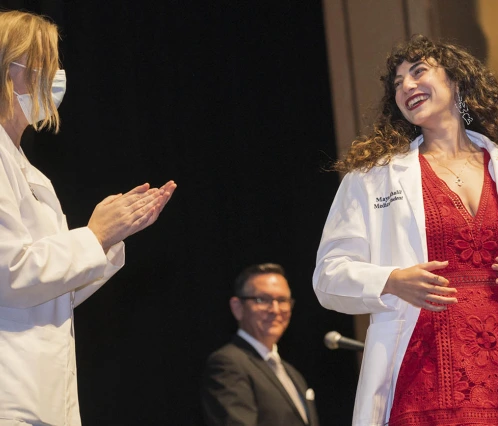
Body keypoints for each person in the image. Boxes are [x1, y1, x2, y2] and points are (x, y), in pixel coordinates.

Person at [313, 34, 498, 425]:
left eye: (418, 72)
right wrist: (392, 280)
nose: (407, 86)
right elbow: (328, 276)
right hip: (426, 371)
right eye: (397, 83)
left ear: (457, 82)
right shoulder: (371, 178)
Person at [0, 10, 176, 426]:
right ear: (10, 70)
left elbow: (54, 289)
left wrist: (109, 240)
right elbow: (10, 274)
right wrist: (93, 236)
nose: (57, 76)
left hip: (44, 395)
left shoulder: (26, 167)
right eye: (46, 64)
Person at [201, 263, 319, 426]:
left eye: (282, 300)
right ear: (237, 307)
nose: (275, 309)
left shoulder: (293, 374)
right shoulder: (228, 364)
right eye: (262, 299)